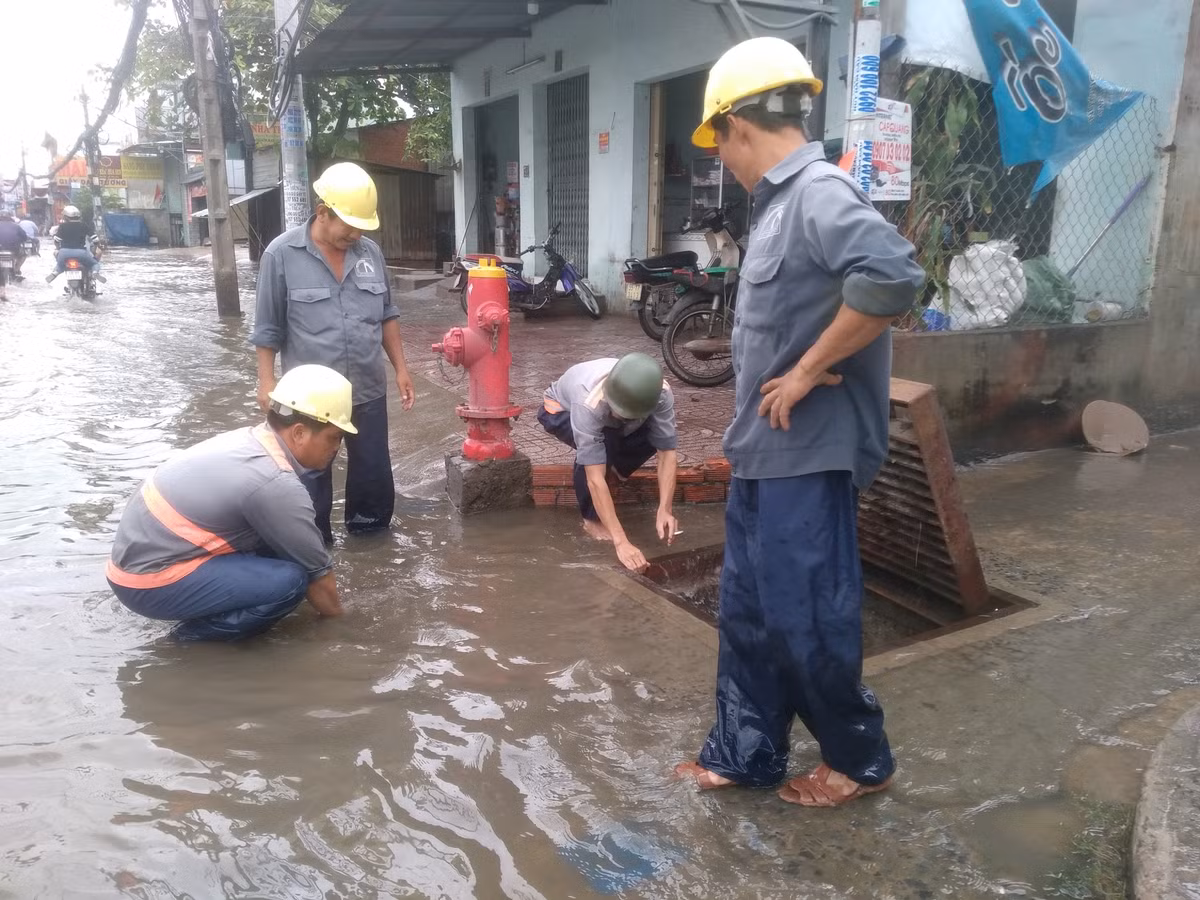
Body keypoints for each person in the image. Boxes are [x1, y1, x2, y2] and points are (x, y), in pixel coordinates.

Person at [674, 37, 926, 807]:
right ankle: (745, 751)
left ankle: (859, 759)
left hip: (810, 455)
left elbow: (893, 276)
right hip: (763, 452)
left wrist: (813, 368)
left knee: (805, 615)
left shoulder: (819, 193)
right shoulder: (780, 206)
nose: (725, 161)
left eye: (720, 145)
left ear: (738, 129)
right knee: (748, 613)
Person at [106, 365, 356, 641]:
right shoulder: (275, 482)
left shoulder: (250, 441)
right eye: (334, 437)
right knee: (290, 582)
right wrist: (342, 629)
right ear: (298, 433)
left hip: (135, 561)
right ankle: (186, 643)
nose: (337, 448)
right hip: (145, 580)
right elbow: (319, 579)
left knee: (284, 551)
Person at [251, 162, 415, 544]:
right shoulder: (281, 255)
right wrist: (266, 381)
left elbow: (387, 315)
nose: (355, 234)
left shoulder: (370, 252)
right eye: (349, 226)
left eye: (362, 227)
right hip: (311, 398)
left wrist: (402, 369)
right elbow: (267, 328)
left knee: (373, 472)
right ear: (323, 212)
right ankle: (313, 546)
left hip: (367, 387)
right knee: (309, 477)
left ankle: (372, 545)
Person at [538, 353, 680, 573]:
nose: (617, 414)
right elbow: (594, 478)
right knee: (604, 442)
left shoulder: (660, 393)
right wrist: (621, 541)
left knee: (658, 435)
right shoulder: (588, 403)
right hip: (558, 410)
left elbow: (667, 453)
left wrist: (665, 508)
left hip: (623, 422)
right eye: (617, 409)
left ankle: (612, 472)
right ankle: (591, 519)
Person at [46, 205, 105, 283]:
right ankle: (95, 272)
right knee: (94, 263)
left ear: (66, 217)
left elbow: (56, 240)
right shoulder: (83, 225)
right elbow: (96, 240)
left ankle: (55, 272)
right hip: (81, 253)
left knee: (60, 265)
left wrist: (58, 248)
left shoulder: (62, 226)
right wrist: (96, 247)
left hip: (64, 253)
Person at [0, 209, 27, 287]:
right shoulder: (16, 226)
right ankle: (16, 269)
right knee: (24, 255)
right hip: (13, 249)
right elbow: (24, 237)